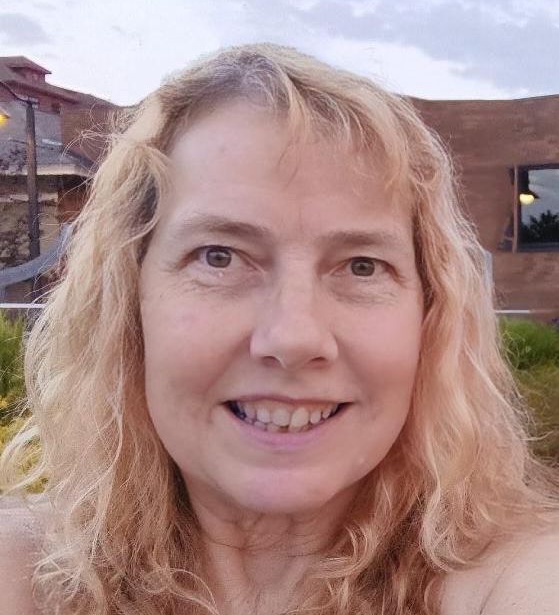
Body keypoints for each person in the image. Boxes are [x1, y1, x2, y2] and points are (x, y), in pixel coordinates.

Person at [1, 43, 558, 615]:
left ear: (430, 315)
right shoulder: (27, 577)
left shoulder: (513, 579)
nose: (294, 338)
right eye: (219, 256)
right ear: (127, 304)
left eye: (362, 266)